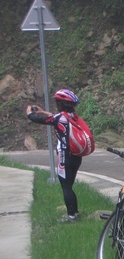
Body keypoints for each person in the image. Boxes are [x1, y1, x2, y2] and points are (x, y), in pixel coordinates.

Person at [26, 88, 84, 222]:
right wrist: (43, 111)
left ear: (62, 104)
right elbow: (55, 117)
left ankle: (71, 216)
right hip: (76, 156)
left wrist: (30, 113)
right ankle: (75, 213)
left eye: (58, 102)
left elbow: (39, 120)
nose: (57, 104)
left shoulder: (60, 118)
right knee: (69, 186)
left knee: (66, 187)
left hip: (65, 156)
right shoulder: (73, 117)